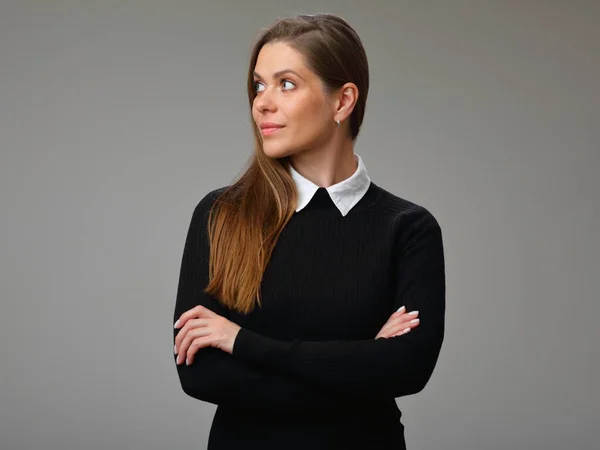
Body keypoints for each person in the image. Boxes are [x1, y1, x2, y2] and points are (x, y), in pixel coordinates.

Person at [172, 13, 445, 450]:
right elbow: (201, 374)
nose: (262, 102)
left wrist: (242, 342)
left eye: (286, 84)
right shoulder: (221, 214)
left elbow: (408, 368)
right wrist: (360, 364)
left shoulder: (408, 229)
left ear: (343, 102)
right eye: (259, 85)